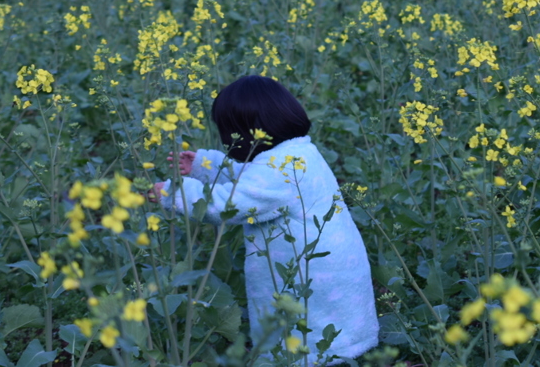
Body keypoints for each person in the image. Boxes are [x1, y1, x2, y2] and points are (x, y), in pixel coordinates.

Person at [154, 75, 379, 364]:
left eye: (227, 132)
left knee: (310, 341)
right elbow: (249, 178)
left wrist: (174, 192)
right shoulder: (298, 152)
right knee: (331, 331)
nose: (226, 141)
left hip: (313, 277)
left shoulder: (278, 169)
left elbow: (229, 205)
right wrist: (203, 165)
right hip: (331, 271)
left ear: (243, 132)